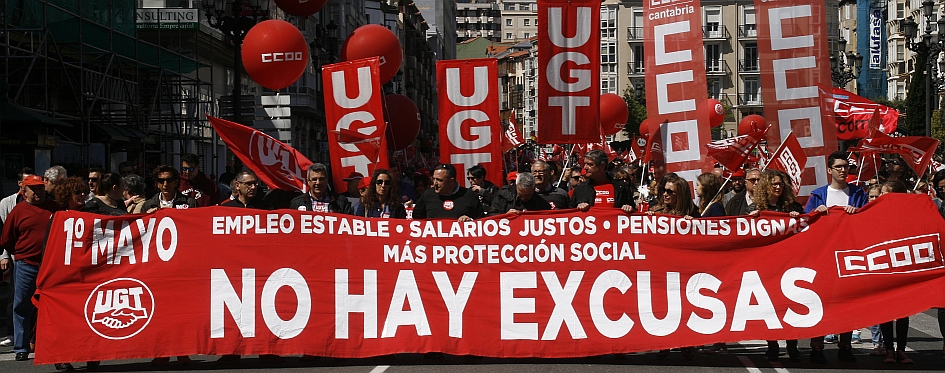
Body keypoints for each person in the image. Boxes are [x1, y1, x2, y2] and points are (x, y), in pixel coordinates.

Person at [804, 151, 867, 364]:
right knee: (820, 302)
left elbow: (869, 219)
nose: (843, 170)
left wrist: (858, 213)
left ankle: (845, 346)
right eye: (838, 167)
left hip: (848, 258)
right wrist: (815, 214)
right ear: (829, 170)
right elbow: (804, 225)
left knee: (847, 303)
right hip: (823, 258)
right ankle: (817, 347)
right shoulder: (818, 195)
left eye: (845, 167)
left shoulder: (858, 193)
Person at [0, 175, 58, 362]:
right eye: (33, 188)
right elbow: (7, 239)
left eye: (40, 188)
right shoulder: (18, 211)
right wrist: (21, 254)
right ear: (24, 192)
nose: (38, 192)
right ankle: (21, 348)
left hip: (51, 266)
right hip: (26, 265)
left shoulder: (55, 208)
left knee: (51, 307)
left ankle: (47, 344)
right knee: (21, 306)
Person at [646, 174, 697, 360]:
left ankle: (687, 344)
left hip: (684, 268)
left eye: (670, 192)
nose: (665, 194)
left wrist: (695, 225)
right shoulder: (656, 210)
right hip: (661, 267)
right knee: (663, 307)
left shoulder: (694, 212)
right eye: (664, 190)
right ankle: (664, 344)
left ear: (680, 194)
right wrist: (646, 219)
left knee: (685, 307)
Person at [875, 180, 915, 364]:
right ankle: (889, 350)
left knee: (902, 312)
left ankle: (901, 349)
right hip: (883, 269)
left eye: (885, 193)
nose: (881, 197)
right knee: (885, 312)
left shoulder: (908, 216)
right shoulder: (874, 214)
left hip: (902, 267)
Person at [570, 150, 635, 213]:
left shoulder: (621, 187)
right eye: (585, 164)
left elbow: (634, 212)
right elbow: (569, 213)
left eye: (590, 164)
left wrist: (629, 208)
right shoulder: (580, 189)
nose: (585, 167)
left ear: (602, 166)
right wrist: (578, 208)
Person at [413, 163, 483, 221]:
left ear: (451, 181)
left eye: (439, 180)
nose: (435, 183)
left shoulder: (470, 195)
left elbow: (482, 221)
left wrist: (470, 220)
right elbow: (417, 218)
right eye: (433, 179)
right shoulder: (428, 195)